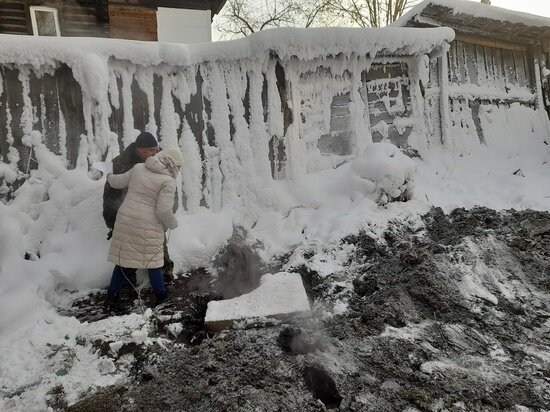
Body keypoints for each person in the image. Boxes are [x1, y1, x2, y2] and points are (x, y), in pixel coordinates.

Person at [104, 148, 184, 308]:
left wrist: (108, 176)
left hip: (125, 220)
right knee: (153, 262)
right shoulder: (168, 182)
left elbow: (117, 182)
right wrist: (173, 223)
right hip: (147, 225)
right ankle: (161, 295)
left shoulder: (139, 168)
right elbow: (163, 211)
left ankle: (112, 297)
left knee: (124, 261)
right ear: (174, 165)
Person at [103, 132, 176, 284]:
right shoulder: (120, 164)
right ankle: (126, 284)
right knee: (127, 254)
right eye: (150, 150)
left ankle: (165, 274)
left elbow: (168, 186)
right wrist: (111, 222)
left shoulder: (158, 160)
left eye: (155, 149)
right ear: (139, 148)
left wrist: (170, 211)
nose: (154, 153)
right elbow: (110, 194)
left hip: (153, 216)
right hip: (128, 217)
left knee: (158, 247)